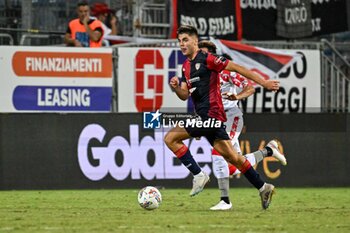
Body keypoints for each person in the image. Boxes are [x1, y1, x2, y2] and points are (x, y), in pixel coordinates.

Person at [164, 25, 283, 210]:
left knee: (170, 138)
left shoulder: (209, 59)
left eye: (185, 40)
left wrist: (264, 83)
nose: (182, 44)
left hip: (211, 115)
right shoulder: (186, 66)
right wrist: (176, 87)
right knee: (234, 158)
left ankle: (198, 175)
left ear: (195, 41)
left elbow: (238, 68)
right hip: (208, 117)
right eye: (179, 41)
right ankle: (263, 187)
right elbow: (185, 95)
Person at [198, 40, 287, 210]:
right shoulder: (203, 75)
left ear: (213, 55)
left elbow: (250, 88)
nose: (200, 57)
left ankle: (225, 201)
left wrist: (237, 97)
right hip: (215, 119)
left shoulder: (225, 70)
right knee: (234, 167)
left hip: (231, 117)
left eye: (204, 54)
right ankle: (269, 151)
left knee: (218, 153)